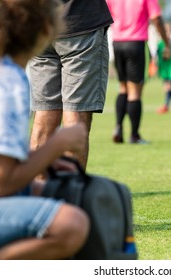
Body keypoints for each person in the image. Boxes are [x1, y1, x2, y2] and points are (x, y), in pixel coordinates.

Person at [0, 0, 90, 260]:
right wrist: (58, 144)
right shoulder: (6, 81)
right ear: (47, 28)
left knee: (48, 196)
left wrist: (41, 157)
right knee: (71, 223)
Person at [28, 0, 113, 169]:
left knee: (44, 113)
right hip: (80, 25)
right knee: (75, 115)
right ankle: (70, 192)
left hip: (40, 26)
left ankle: (38, 190)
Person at [107, 0, 171, 144]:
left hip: (117, 43)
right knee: (135, 92)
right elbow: (156, 18)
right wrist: (167, 42)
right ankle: (134, 135)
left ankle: (118, 127)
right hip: (136, 43)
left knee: (123, 87)